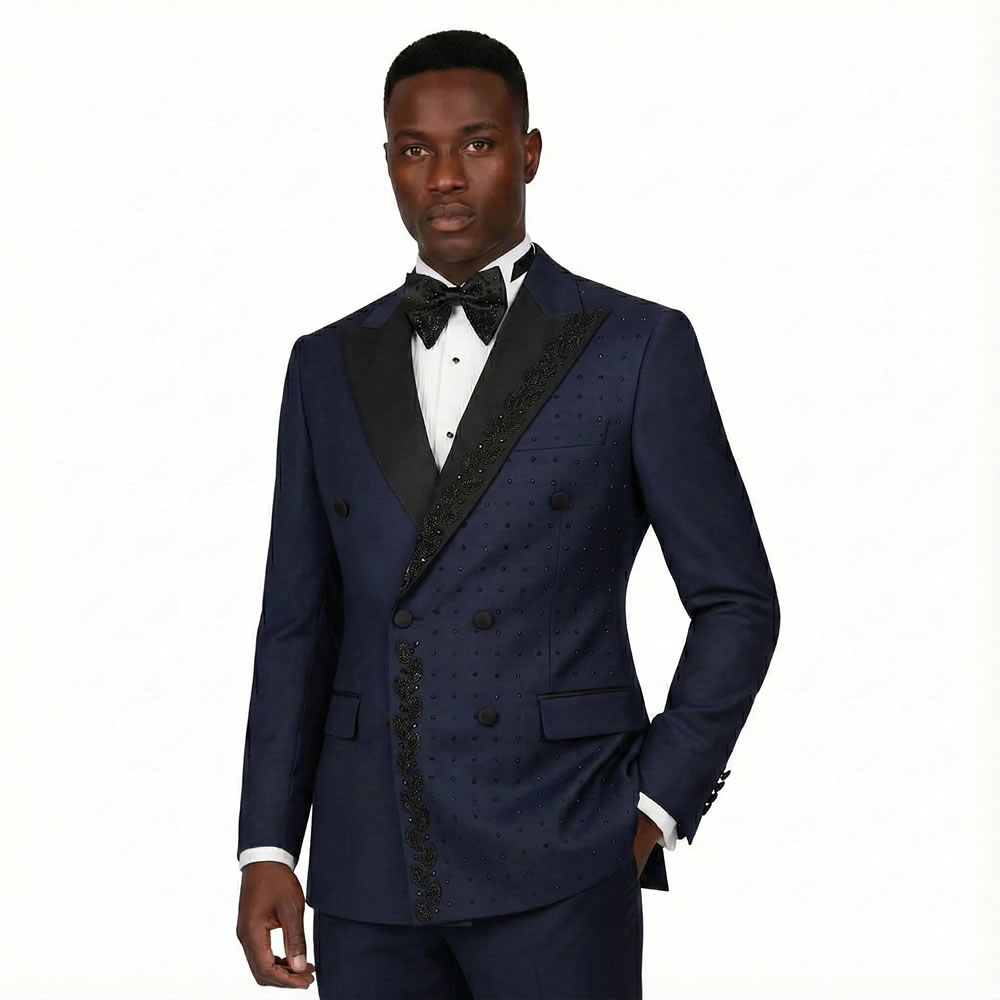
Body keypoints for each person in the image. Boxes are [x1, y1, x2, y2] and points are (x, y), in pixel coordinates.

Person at [235, 28, 780, 998]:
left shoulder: (635, 346)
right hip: (366, 864)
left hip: (562, 850)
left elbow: (736, 601)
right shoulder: (323, 364)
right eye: (415, 149)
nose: (444, 176)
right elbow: (297, 624)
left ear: (528, 152)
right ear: (388, 162)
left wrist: (655, 803)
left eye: (477, 144)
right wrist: (268, 845)